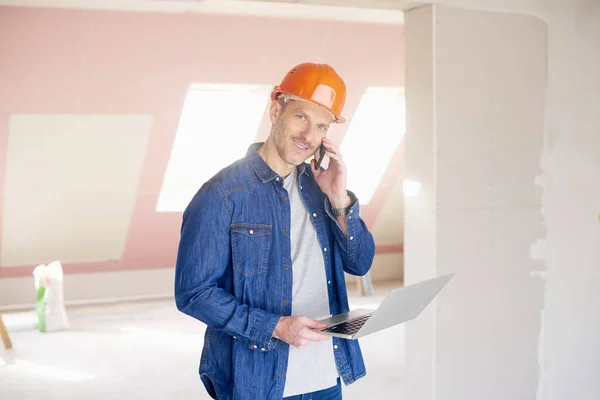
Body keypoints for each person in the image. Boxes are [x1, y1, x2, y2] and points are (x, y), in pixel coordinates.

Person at [174, 62, 376, 400]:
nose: (309, 136)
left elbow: (360, 263)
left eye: (322, 126)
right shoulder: (222, 194)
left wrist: (339, 197)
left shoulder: (321, 189)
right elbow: (193, 293)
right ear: (275, 109)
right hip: (259, 382)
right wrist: (276, 327)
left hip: (325, 375)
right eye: (301, 117)